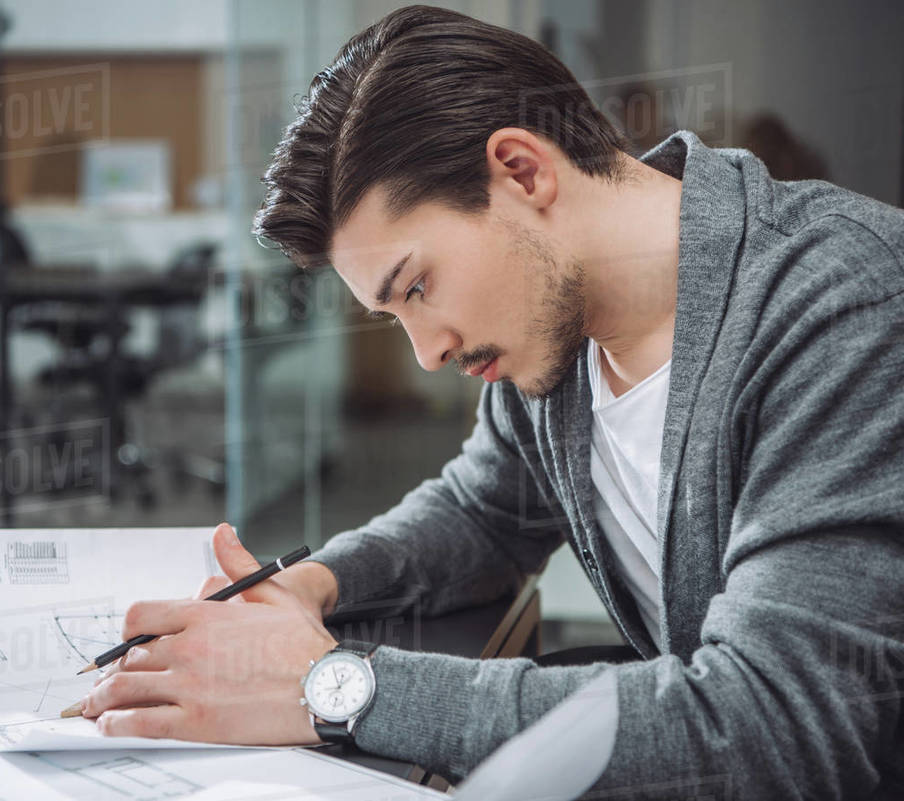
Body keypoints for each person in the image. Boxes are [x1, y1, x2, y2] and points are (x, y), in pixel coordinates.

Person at [81, 6, 904, 796]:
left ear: (522, 171)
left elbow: (777, 725)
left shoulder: (842, 305)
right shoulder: (556, 335)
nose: (428, 350)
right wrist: (315, 584)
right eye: (392, 313)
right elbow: (482, 513)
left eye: (418, 286)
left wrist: (327, 687)